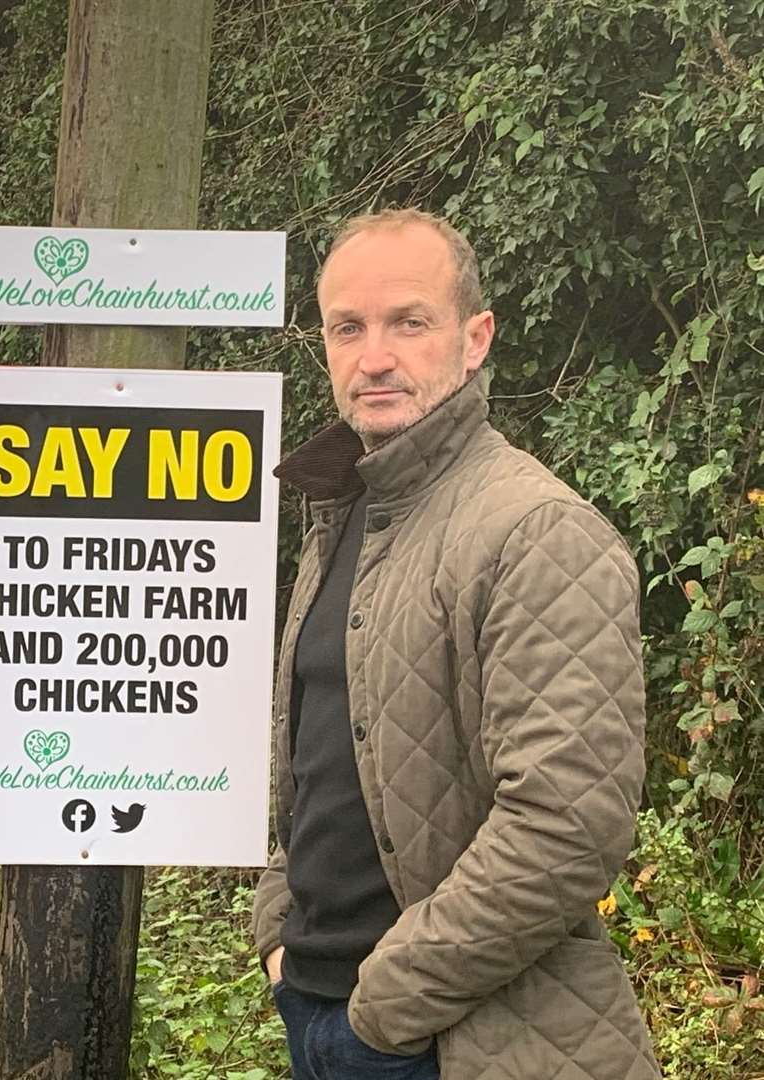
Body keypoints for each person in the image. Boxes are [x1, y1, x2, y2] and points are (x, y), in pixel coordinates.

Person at [252, 208, 660, 1079]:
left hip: (456, 1041)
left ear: (475, 339)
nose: (375, 358)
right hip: (321, 1014)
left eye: (410, 322)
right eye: (348, 328)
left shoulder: (536, 530)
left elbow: (566, 827)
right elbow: (318, 767)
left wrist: (383, 1013)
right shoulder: (342, 512)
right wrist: (279, 938)